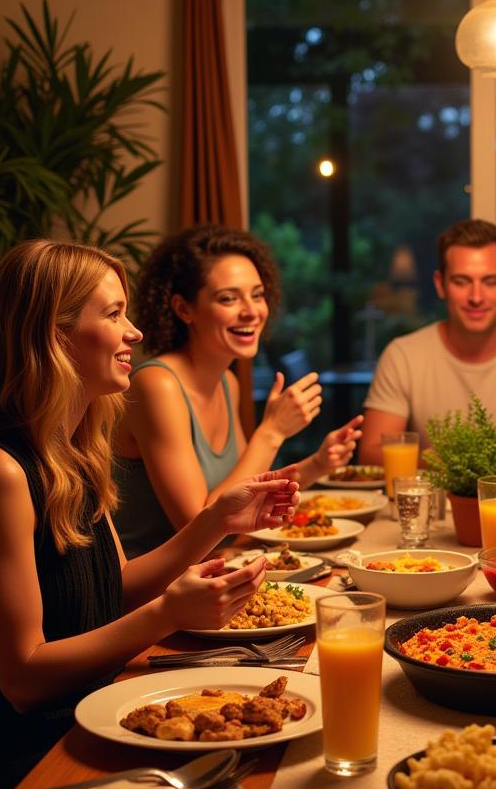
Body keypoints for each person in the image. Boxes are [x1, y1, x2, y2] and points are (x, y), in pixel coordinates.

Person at [0, 240, 300, 789]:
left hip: (99, 710)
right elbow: (22, 679)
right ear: (54, 334)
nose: (135, 334)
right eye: (111, 314)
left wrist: (215, 521)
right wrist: (168, 616)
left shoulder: (76, 448)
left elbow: (111, 589)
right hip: (29, 762)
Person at [114, 225, 362, 557]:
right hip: (153, 591)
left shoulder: (227, 383)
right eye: (228, 298)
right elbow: (197, 527)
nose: (251, 311)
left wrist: (318, 464)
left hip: (219, 566)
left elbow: (248, 493)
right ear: (183, 309)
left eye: (257, 295)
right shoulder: (157, 385)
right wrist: (272, 432)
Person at [358, 219, 496, 462]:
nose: (476, 297)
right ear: (440, 285)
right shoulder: (402, 355)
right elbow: (371, 454)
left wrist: (449, 462)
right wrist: (466, 466)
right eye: (461, 281)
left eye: (490, 282)